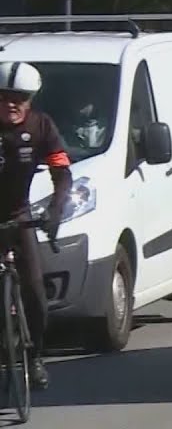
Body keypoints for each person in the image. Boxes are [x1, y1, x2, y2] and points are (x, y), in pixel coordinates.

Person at [0, 62, 70, 390]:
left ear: (31, 100)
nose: (12, 103)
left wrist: (56, 210)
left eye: (21, 97)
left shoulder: (42, 126)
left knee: (36, 295)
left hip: (19, 216)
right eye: (3, 96)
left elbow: (62, 174)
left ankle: (35, 357)